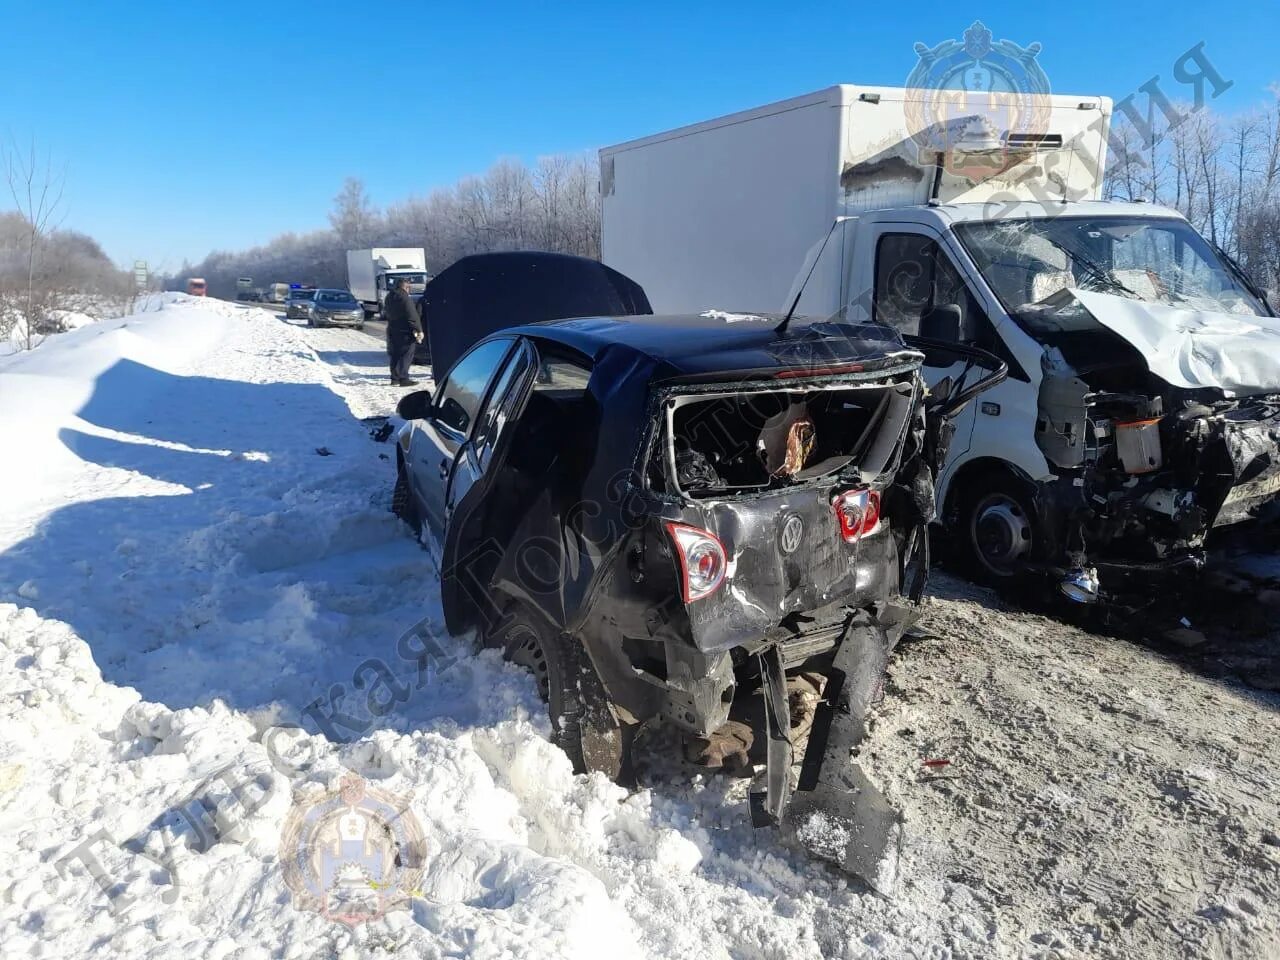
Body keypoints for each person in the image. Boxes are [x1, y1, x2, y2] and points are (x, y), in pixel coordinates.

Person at [383, 277, 424, 386]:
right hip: (405, 330)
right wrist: (418, 329)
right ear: (405, 287)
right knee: (406, 354)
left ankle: (394, 378)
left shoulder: (389, 296)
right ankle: (403, 378)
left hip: (392, 328)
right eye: (409, 287)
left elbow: (386, 311)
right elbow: (412, 315)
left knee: (395, 354)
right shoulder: (405, 298)